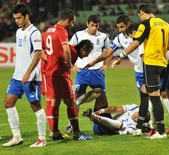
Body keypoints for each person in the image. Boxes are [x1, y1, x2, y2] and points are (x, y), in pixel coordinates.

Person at [111, 3, 169, 139]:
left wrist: (120, 56)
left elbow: (136, 42)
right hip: (163, 63)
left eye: (139, 15)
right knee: (144, 91)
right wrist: (161, 49)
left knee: (154, 97)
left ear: (141, 13)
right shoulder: (165, 24)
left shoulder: (146, 24)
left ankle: (161, 132)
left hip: (151, 63)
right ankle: (140, 127)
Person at [42, 9, 93, 140]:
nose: (72, 25)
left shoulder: (47, 31)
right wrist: (69, 64)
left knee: (53, 101)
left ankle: (54, 133)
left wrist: (50, 61)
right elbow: (66, 49)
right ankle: (77, 134)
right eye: (72, 23)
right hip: (60, 74)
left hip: (49, 72)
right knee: (71, 102)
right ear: (68, 20)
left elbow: (41, 51)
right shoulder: (61, 31)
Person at [3, 3, 47, 147]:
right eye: (15, 18)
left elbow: (38, 53)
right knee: (8, 103)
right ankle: (17, 137)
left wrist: (28, 73)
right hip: (17, 76)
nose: (16, 21)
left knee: (36, 106)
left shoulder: (34, 32)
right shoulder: (18, 32)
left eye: (19, 18)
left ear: (26, 16)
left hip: (31, 77)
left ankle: (42, 139)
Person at [65, 14, 111, 133]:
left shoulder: (103, 37)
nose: (94, 28)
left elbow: (110, 50)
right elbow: (68, 49)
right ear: (87, 24)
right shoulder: (78, 35)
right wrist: (72, 65)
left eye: (96, 26)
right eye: (92, 25)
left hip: (97, 72)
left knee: (102, 98)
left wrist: (106, 64)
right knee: (76, 99)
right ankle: (71, 125)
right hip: (82, 72)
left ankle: (103, 125)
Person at [76, 88, 151, 135]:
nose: (136, 116)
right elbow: (115, 109)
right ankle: (76, 103)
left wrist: (98, 121)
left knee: (119, 124)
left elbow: (113, 132)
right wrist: (103, 110)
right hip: (104, 117)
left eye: (138, 118)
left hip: (103, 129)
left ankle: (93, 116)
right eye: (138, 114)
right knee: (99, 92)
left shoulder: (133, 128)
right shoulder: (134, 107)